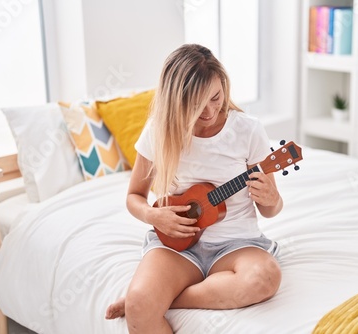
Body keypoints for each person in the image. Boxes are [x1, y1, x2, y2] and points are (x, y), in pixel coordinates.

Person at [105, 43, 283, 333]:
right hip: (176, 245)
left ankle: (165, 299)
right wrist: (154, 216)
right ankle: (146, 302)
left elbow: (271, 208)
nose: (210, 111)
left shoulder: (247, 130)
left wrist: (272, 199)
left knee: (265, 278)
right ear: (177, 102)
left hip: (236, 244)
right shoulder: (158, 130)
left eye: (216, 97)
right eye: (198, 105)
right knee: (142, 309)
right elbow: (134, 196)